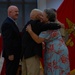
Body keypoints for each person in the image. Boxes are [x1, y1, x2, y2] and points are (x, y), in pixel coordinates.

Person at [26, 8, 70, 75]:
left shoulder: (48, 28)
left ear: (48, 18)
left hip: (56, 52)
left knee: (55, 71)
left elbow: (38, 40)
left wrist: (30, 31)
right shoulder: (52, 25)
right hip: (59, 49)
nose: (41, 17)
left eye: (43, 16)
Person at [1, 5, 21, 75]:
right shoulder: (7, 23)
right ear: (10, 12)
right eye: (15, 11)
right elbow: (7, 40)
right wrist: (10, 53)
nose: (17, 13)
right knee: (10, 71)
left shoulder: (11, 22)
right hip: (11, 54)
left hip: (14, 53)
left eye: (18, 11)